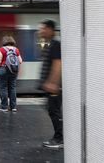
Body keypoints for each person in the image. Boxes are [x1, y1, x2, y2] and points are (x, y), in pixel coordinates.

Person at [38, 19, 63, 148]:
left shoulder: (55, 44)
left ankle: (59, 139)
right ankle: (59, 137)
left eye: (42, 28)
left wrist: (53, 83)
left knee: (55, 112)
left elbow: (57, 63)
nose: (40, 31)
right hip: (51, 87)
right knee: (53, 111)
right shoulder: (51, 44)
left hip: (54, 87)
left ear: (49, 29)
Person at [0, 36, 23, 112]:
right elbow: (20, 61)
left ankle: (4, 107)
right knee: (12, 88)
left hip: (3, 69)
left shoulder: (2, 49)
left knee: (3, 88)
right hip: (13, 71)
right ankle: (13, 107)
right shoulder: (16, 50)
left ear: (4, 42)